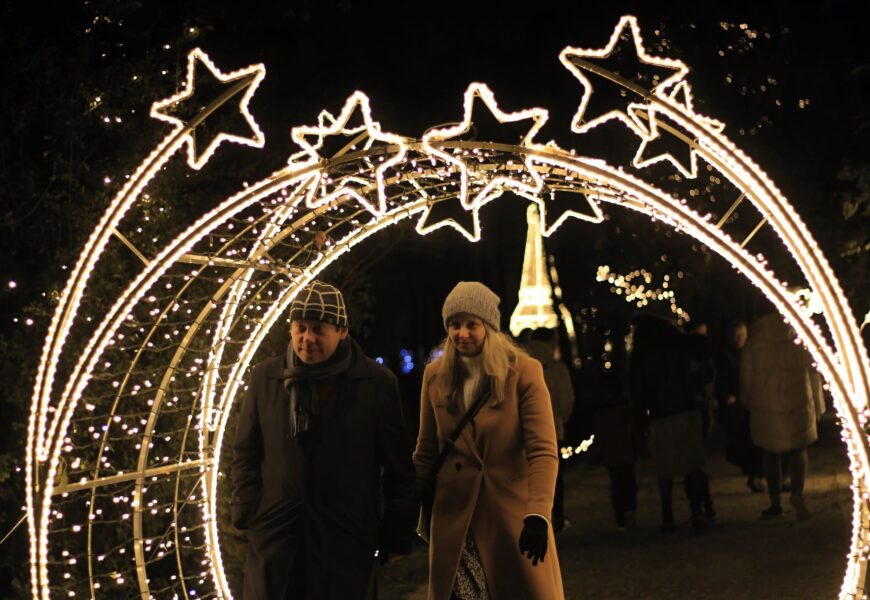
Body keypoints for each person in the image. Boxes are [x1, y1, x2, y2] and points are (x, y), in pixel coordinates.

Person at [231, 280, 417, 599]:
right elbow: (247, 451)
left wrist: (396, 536)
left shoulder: (375, 383)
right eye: (300, 327)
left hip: (344, 542)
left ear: (342, 331)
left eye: (319, 329)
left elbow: (397, 468)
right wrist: (248, 510)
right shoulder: (266, 377)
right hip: (277, 540)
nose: (308, 338)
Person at [414, 281, 564, 600]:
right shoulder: (435, 376)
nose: (462, 333)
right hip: (455, 518)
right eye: (455, 325)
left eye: (472, 324)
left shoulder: (523, 372)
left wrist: (538, 513)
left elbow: (543, 451)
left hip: (510, 516)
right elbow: (426, 452)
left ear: (489, 327)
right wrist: (405, 508)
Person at [630, 314, 712, 533]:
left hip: (660, 414)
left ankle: (668, 515)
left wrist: (640, 422)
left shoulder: (642, 355)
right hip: (688, 410)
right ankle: (697, 510)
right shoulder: (680, 346)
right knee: (691, 463)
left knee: (665, 468)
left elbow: (638, 391)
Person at [740, 310, 825, 520]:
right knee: (799, 449)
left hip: (766, 402)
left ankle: (775, 501)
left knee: (770, 453)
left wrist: (749, 400)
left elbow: (746, 375)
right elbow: (814, 371)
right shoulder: (799, 335)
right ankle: (797, 493)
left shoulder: (756, 339)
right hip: (798, 400)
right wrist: (818, 403)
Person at [526, 327, 575, 533]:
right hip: (552, 429)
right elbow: (567, 400)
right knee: (553, 475)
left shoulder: (521, 366)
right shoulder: (556, 368)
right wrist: (561, 418)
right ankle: (556, 516)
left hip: (525, 432)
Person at [715, 319, 765, 492]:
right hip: (736, 405)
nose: (737, 339)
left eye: (740, 335)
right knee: (740, 441)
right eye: (734, 336)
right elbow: (722, 380)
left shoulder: (751, 354)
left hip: (751, 403)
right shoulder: (726, 356)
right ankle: (753, 472)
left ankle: (756, 474)